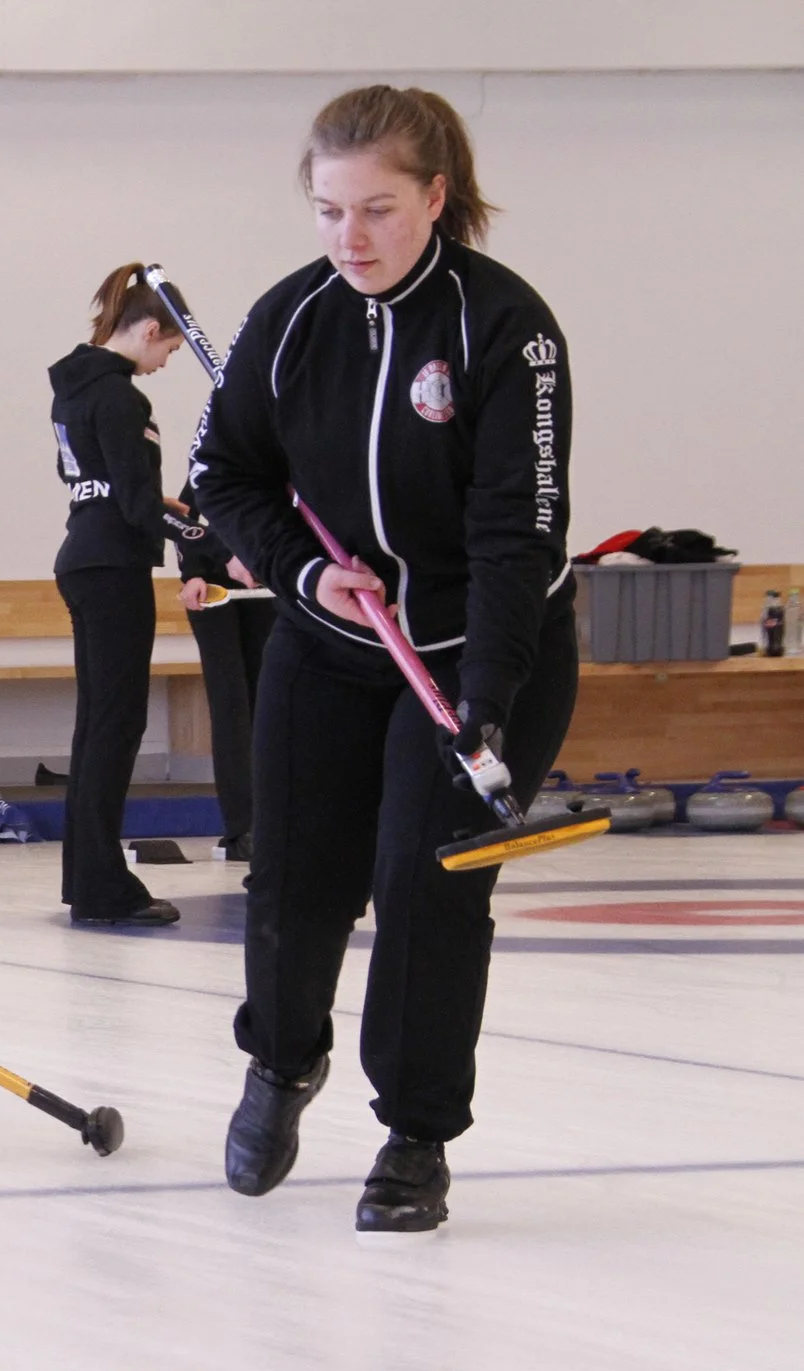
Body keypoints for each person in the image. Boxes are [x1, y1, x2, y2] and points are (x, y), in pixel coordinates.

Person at [191, 85, 577, 1233]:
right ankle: (280, 1059)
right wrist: (304, 574)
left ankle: (414, 1134)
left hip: (476, 646)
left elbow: (517, 533)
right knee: (292, 874)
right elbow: (225, 477)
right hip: (328, 640)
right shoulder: (289, 319)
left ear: (435, 197)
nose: (348, 237)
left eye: (376, 209)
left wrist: (486, 698)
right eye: (327, 210)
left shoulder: (505, 329)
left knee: (425, 886)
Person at [47, 264, 217, 927]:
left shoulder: (74, 390)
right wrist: (212, 541)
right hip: (113, 567)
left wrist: (163, 506)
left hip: (85, 558)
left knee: (98, 726)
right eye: (168, 348)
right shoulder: (122, 399)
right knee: (116, 727)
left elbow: (104, 485)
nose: (166, 362)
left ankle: (88, 880)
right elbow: (137, 504)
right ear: (149, 330)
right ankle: (103, 889)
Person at [175, 507, 272, 865]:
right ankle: (240, 828)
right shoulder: (207, 473)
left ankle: (271, 821)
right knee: (230, 704)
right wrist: (192, 574)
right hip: (212, 588)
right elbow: (187, 522)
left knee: (265, 699)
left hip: (263, 581)